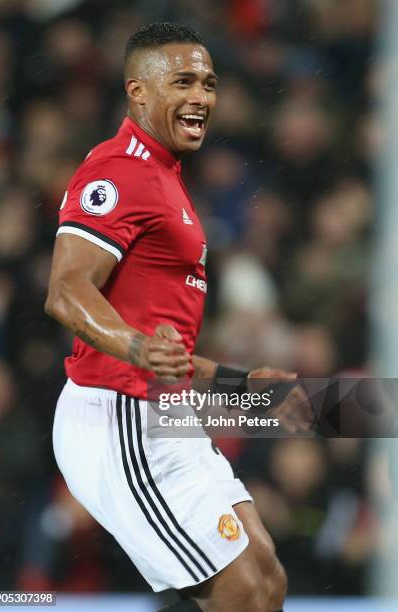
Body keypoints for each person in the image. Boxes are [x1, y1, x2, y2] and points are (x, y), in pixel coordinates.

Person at [45, 22, 312, 612]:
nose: (202, 97)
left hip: (163, 409)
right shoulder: (118, 171)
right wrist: (138, 350)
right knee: (240, 590)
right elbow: (65, 290)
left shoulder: (165, 178)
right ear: (138, 91)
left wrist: (242, 386)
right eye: (184, 81)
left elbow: (165, 348)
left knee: (264, 578)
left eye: (210, 83)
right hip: (119, 420)